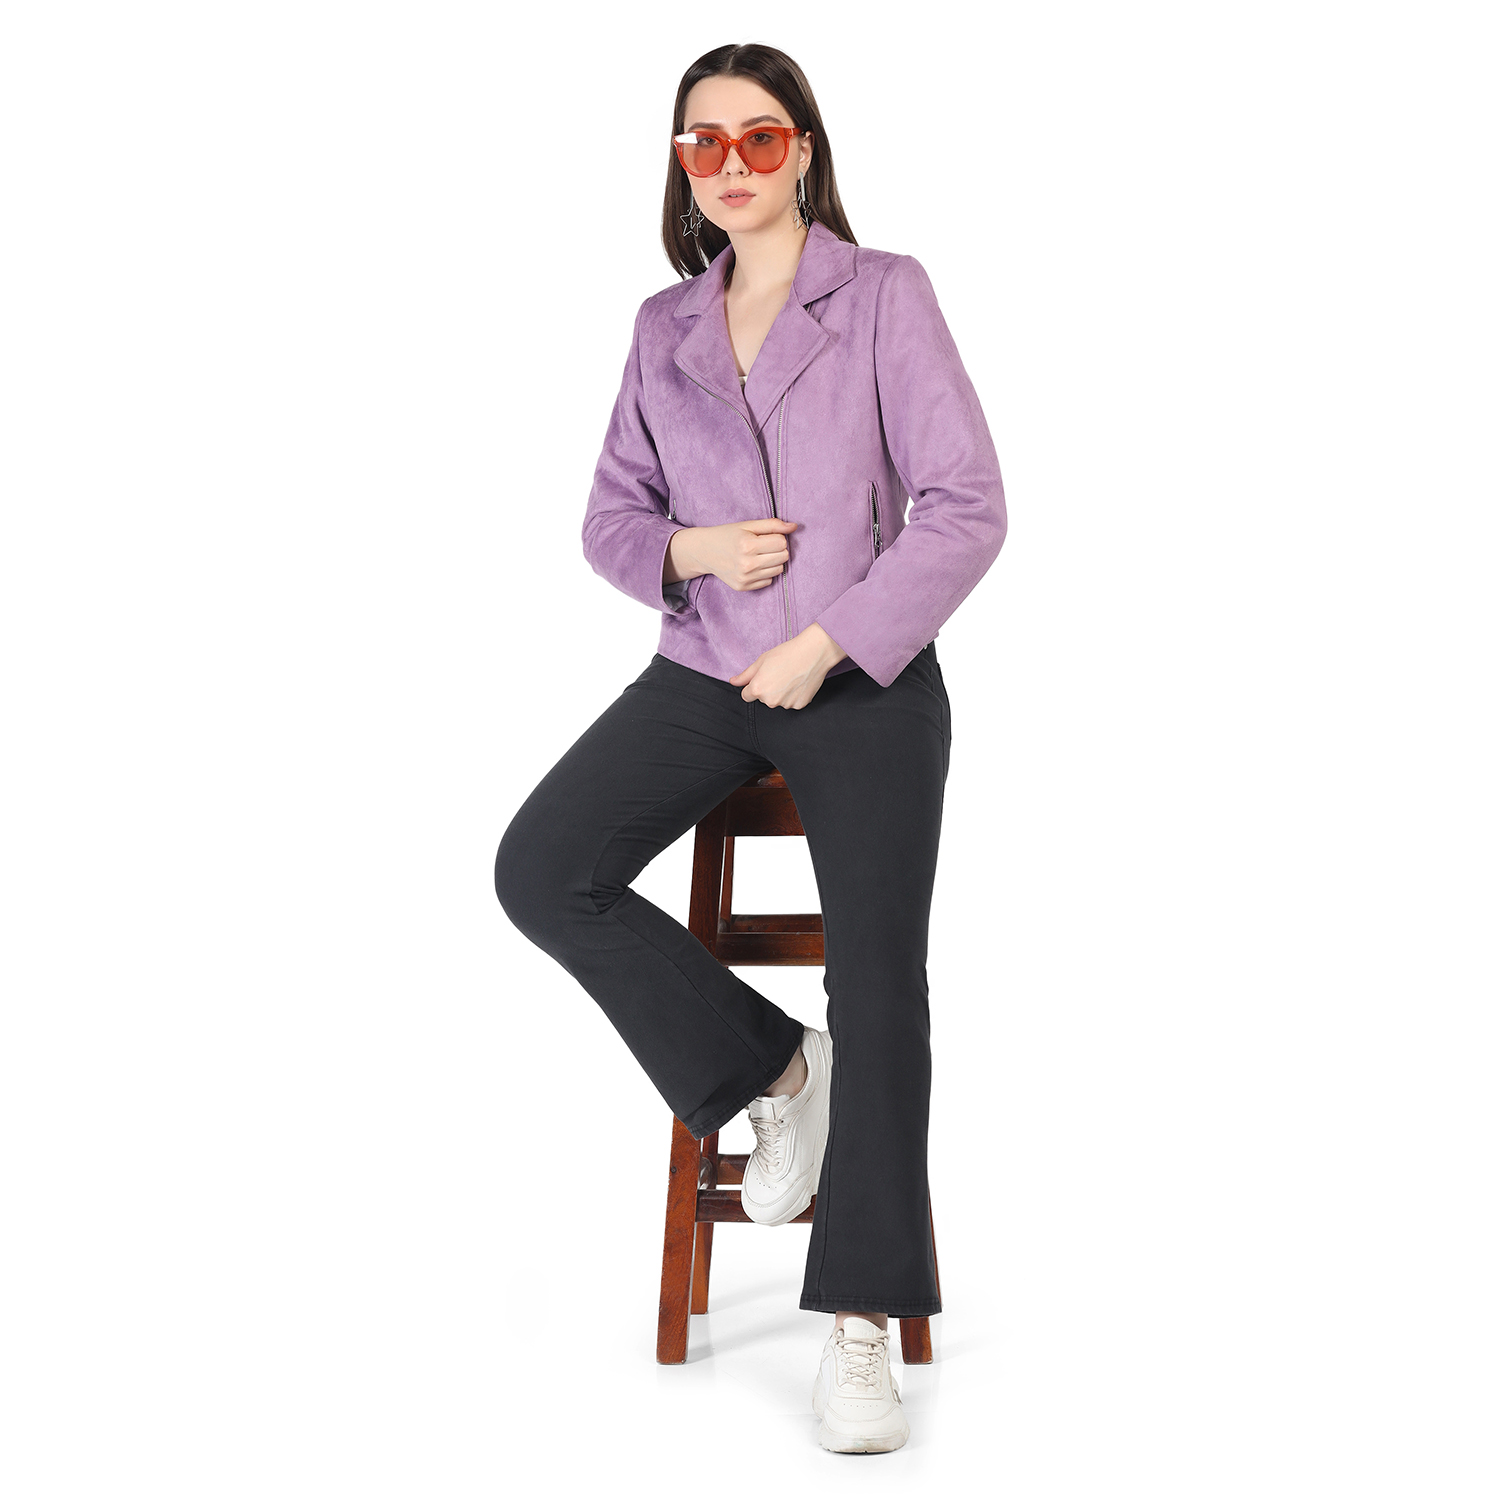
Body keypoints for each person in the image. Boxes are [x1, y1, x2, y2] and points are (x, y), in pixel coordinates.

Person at [495, 41, 1006, 1455]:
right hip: (705, 671)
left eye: (759, 138)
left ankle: (860, 1320)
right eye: (702, 142)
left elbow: (967, 503)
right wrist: (693, 551)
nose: (730, 163)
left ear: (804, 151)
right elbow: (610, 520)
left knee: (880, 981)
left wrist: (828, 640)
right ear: (682, 165)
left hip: (865, 679)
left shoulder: (884, 293)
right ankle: (782, 1072)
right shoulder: (662, 324)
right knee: (543, 870)